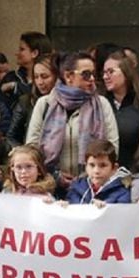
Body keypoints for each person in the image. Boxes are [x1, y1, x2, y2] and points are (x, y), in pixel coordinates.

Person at [26, 51, 119, 187]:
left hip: (92, 185)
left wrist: (89, 176)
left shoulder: (101, 104)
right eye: (86, 74)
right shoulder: (45, 104)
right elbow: (32, 148)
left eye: (93, 74)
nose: (92, 79)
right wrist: (55, 176)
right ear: (69, 76)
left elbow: (112, 147)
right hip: (50, 185)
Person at [102, 50, 139, 169]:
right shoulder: (100, 102)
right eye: (104, 72)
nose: (105, 77)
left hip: (136, 170)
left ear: (126, 72)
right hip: (104, 170)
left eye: (111, 72)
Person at [8, 53, 57, 148]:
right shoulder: (26, 101)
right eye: (36, 77)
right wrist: (23, 152)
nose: (40, 82)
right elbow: (11, 137)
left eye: (44, 76)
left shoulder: (67, 103)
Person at [66, 139, 132, 206]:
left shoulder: (122, 193)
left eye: (103, 165)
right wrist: (62, 207)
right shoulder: (76, 188)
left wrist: (106, 208)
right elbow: (69, 207)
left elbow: (121, 211)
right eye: (92, 165)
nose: (96, 171)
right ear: (85, 166)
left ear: (114, 168)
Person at [1, 31, 53, 107]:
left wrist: (16, 87)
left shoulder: (53, 80)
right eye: (36, 77)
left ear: (34, 53)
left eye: (22, 49)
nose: (17, 53)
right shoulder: (10, 77)